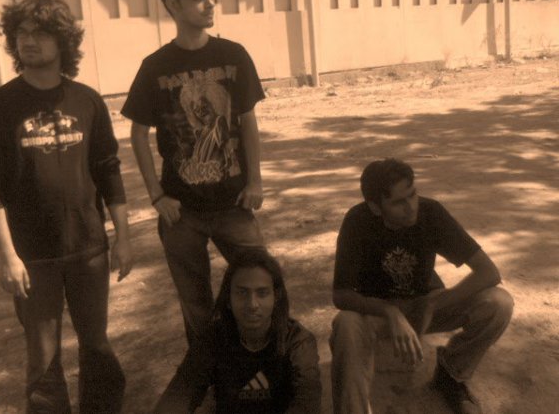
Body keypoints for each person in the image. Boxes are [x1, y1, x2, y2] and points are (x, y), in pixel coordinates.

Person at [0, 0, 133, 413]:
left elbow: (108, 170)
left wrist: (123, 238)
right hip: (32, 259)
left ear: (63, 41)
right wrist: (7, 257)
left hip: (89, 249)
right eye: (22, 32)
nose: (29, 40)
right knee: (43, 359)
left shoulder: (87, 101)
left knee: (96, 345)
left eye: (41, 33)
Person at [122, 0, 265, 345]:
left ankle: (263, 360)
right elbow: (137, 133)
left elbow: (248, 121)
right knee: (196, 306)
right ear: (173, 4)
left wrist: (255, 180)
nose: (210, 3)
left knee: (261, 285)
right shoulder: (155, 68)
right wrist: (156, 196)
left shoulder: (233, 55)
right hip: (181, 212)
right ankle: (208, 369)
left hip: (234, 203)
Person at [330, 158, 513, 414]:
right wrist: (390, 312)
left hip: (425, 303)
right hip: (377, 313)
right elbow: (341, 295)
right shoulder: (357, 221)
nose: (411, 207)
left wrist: (434, 302)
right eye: (398, 202)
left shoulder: (431, 213)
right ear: (375, 207)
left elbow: (489, 272)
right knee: (346, 324)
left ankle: (451, 373)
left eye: (413, 194)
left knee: (499, 303)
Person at [154, 248, 322, 414]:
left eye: (262, 293)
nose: (252, 304)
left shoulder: (298, 341)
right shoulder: (213, 339)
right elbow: (179, 394)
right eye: (242, 293)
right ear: (228, 298)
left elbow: (307, 403)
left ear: (276, 297)